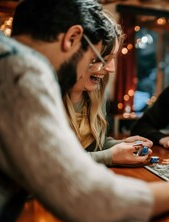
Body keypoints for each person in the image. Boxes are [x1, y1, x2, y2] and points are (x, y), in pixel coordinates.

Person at [0, 0, 169, 222]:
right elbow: (89, 202)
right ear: (72, 38)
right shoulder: (20, 68)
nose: (104, 67)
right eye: (96, 57)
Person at [61, 13, 153, 166]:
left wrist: (119, 145)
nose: (111, 68)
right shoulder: (47, 97)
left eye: (113, 58)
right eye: (105, 59)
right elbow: (53, 162)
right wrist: (109, 156)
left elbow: (90, 147)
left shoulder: (94, 94)